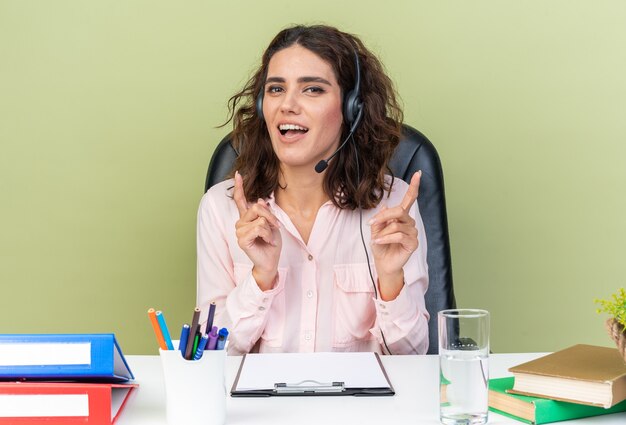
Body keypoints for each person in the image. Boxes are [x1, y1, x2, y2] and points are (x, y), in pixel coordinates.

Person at [197, 24, 429, 355]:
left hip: (363, 407)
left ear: (352, 108)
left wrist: (391, 281)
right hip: (260, 407)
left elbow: (414, 356)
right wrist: (260, 278)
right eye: (276, 89)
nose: (287, 105)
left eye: (313, 90)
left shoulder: (393, 206)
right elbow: (209, 355)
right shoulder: (220, 208)